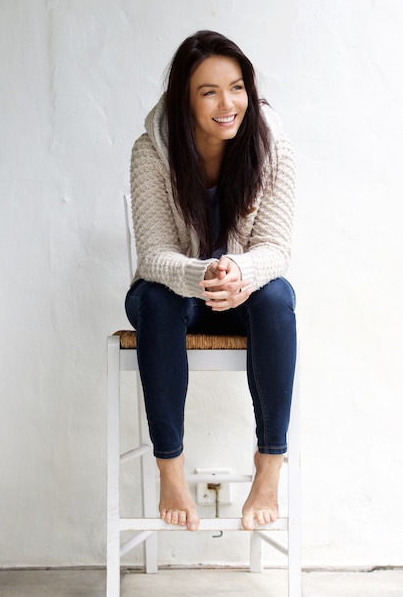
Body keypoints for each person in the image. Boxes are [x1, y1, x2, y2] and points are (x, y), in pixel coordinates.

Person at [125, 30, 296, 532]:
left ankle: (269, 470)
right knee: (155, 300)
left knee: (278, 298)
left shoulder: (272, 146)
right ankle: (170, 469)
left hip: (242, 294)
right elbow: (155, 255)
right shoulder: (151, 151)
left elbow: (277, 248)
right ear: (185, 97)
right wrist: (202, 274)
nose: (228, 103)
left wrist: (239, 271)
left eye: (237, 86)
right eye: (209, 91)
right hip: (176, 294)